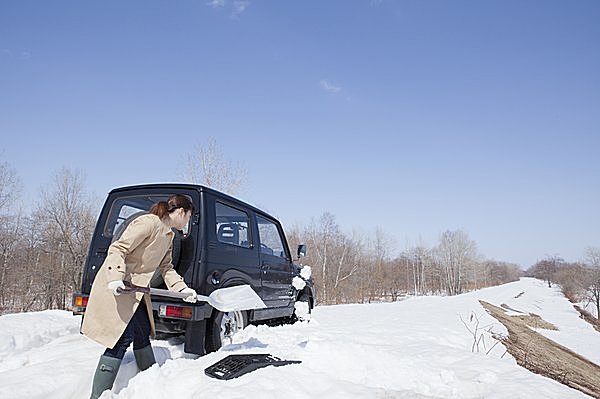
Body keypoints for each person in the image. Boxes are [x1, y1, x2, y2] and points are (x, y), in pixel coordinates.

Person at [81, 194, 198, 399]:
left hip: (136, 292)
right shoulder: (148, 222)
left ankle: (150, 384)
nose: (188, 221)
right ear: (181, 212)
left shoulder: (169, 235)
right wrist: (115, 277)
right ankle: (98, 396)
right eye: (188, 216)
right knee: (121, 338)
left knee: (142, 332)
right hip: (119, 285)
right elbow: (118, 248)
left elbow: (166, 267)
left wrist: (182, 289)